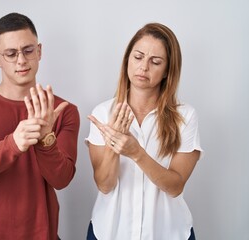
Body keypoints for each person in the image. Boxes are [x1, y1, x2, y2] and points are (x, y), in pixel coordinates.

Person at [0, 12, 80, 240]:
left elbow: (62, 180)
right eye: (11, 53)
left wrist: (45, 141)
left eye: (28, 50)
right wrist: (12, 144)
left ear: (39, 51)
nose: (21, 60)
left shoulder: (63, 110)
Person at [85, 23, 203, 240]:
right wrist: (114, 145)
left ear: (168, 70)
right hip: (109, 232)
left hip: (169, 233)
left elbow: (175, 186)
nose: (143, 67)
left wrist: (136, 153)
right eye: (138, 57)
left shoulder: (185, 116)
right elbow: (104, 184)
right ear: (127, 59)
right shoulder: (103, 113)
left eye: (155, 62)